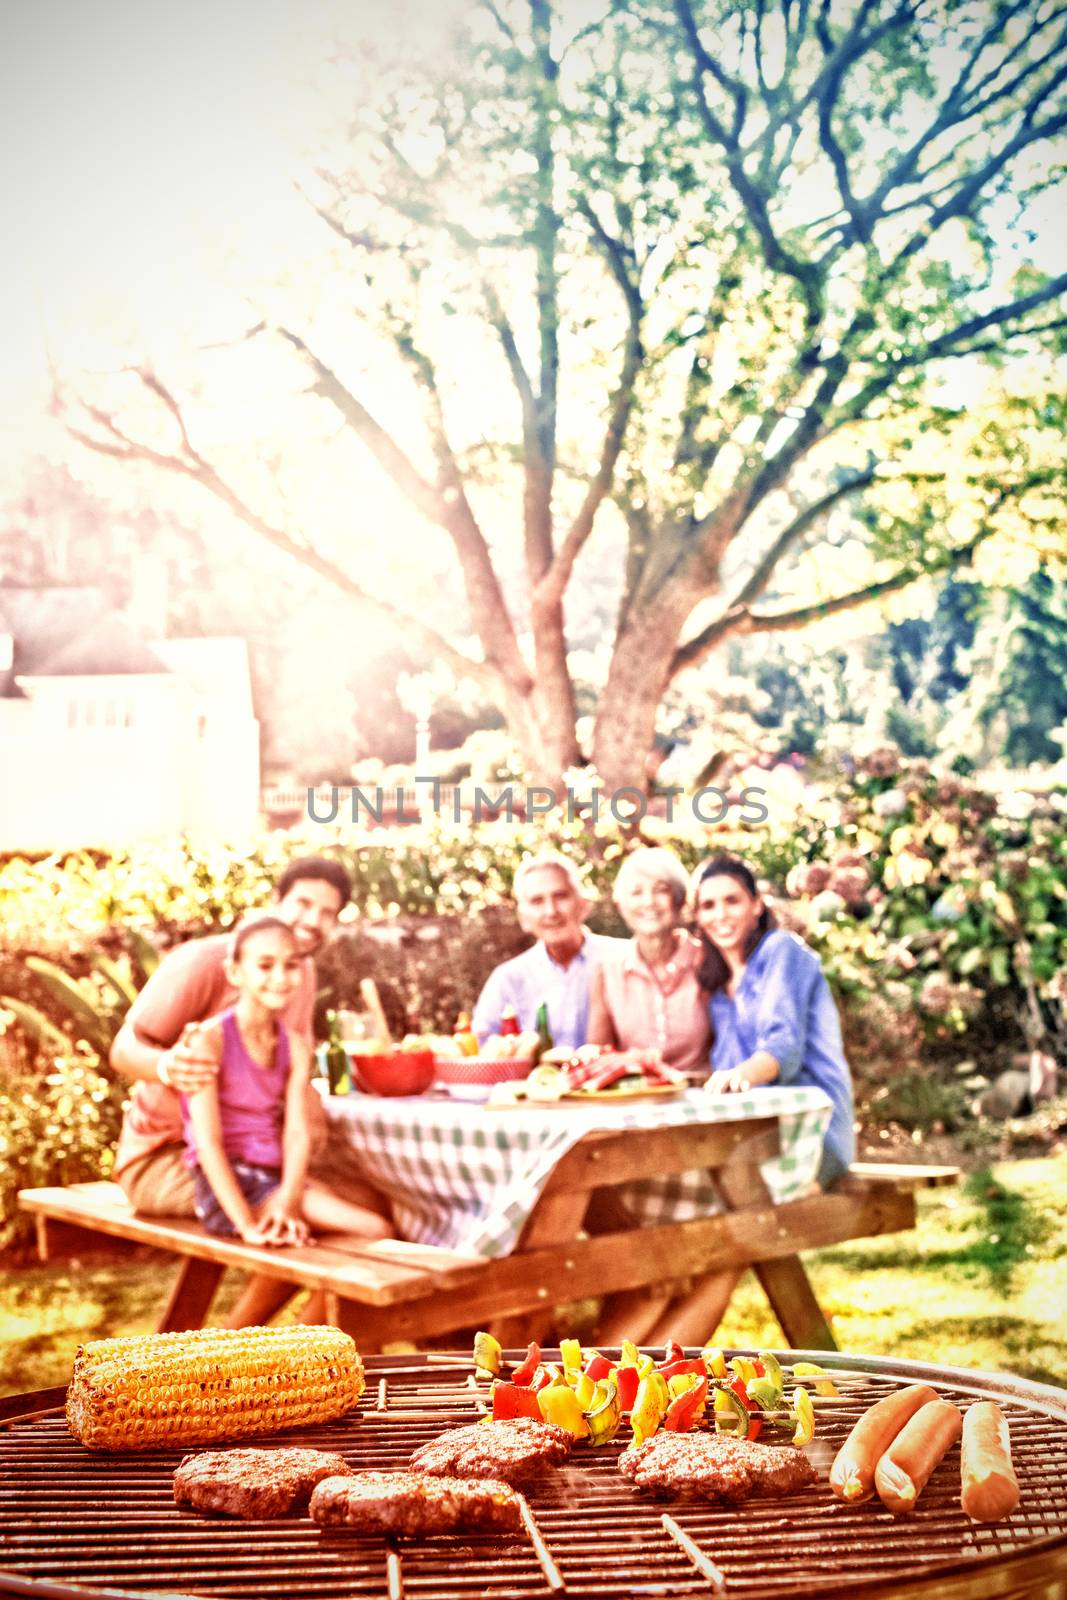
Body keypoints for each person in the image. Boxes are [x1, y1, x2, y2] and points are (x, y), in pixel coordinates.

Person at [110, 854, 388, 1324]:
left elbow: (286, 1077)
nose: (312, 920)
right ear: (274, 901)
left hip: (248, 1154)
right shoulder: (204, 963)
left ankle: (261, 1347)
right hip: (165, 1154)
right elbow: (123, 1049)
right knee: (324, 1218)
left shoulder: (295, 976)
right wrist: (169, 1065)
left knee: (358, 1200)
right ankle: (283, 1358)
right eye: (302, 903)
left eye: (327, 913)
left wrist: (309, 1114)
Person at [183, 916, 391, 1247]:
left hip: (273, 1176)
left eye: (291, 965)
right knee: (375, 1232)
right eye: (265, 966)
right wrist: (247, 1225)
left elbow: (297, 1133)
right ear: (235, 973)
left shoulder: (294, 1046)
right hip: (231, 1188)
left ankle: (311, 1299)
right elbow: (207, 1143)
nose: (280, 978)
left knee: (367, 1210)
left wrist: (289, 1202)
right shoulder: (210, 1041)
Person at [695, 854, 855, 1187]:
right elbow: (726, 1071)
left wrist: (738, 1075)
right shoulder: (719, 991)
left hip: (814, 1133)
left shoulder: (781, 951)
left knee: (722, 1194)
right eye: (708, 905)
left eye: (732, 901)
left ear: (756, 906)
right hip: (753, 1135)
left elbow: (784, 1048)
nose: (720, 914)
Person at [471, 852, 622, 1049]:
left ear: (583, 905)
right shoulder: (508, 979)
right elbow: (479, 1050)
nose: (551, 911)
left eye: (561, 896)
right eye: (537, 901)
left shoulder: (623, 959)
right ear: (523, 918)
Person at [587, 847, 711, 1078]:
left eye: (661, 890)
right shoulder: (607, 972)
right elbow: (598, 1055)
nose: (649, 902)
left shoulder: (707, 959)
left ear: (679, 900)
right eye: (636, 892)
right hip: (636, 1101)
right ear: (621, 906)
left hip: (703, 1098)